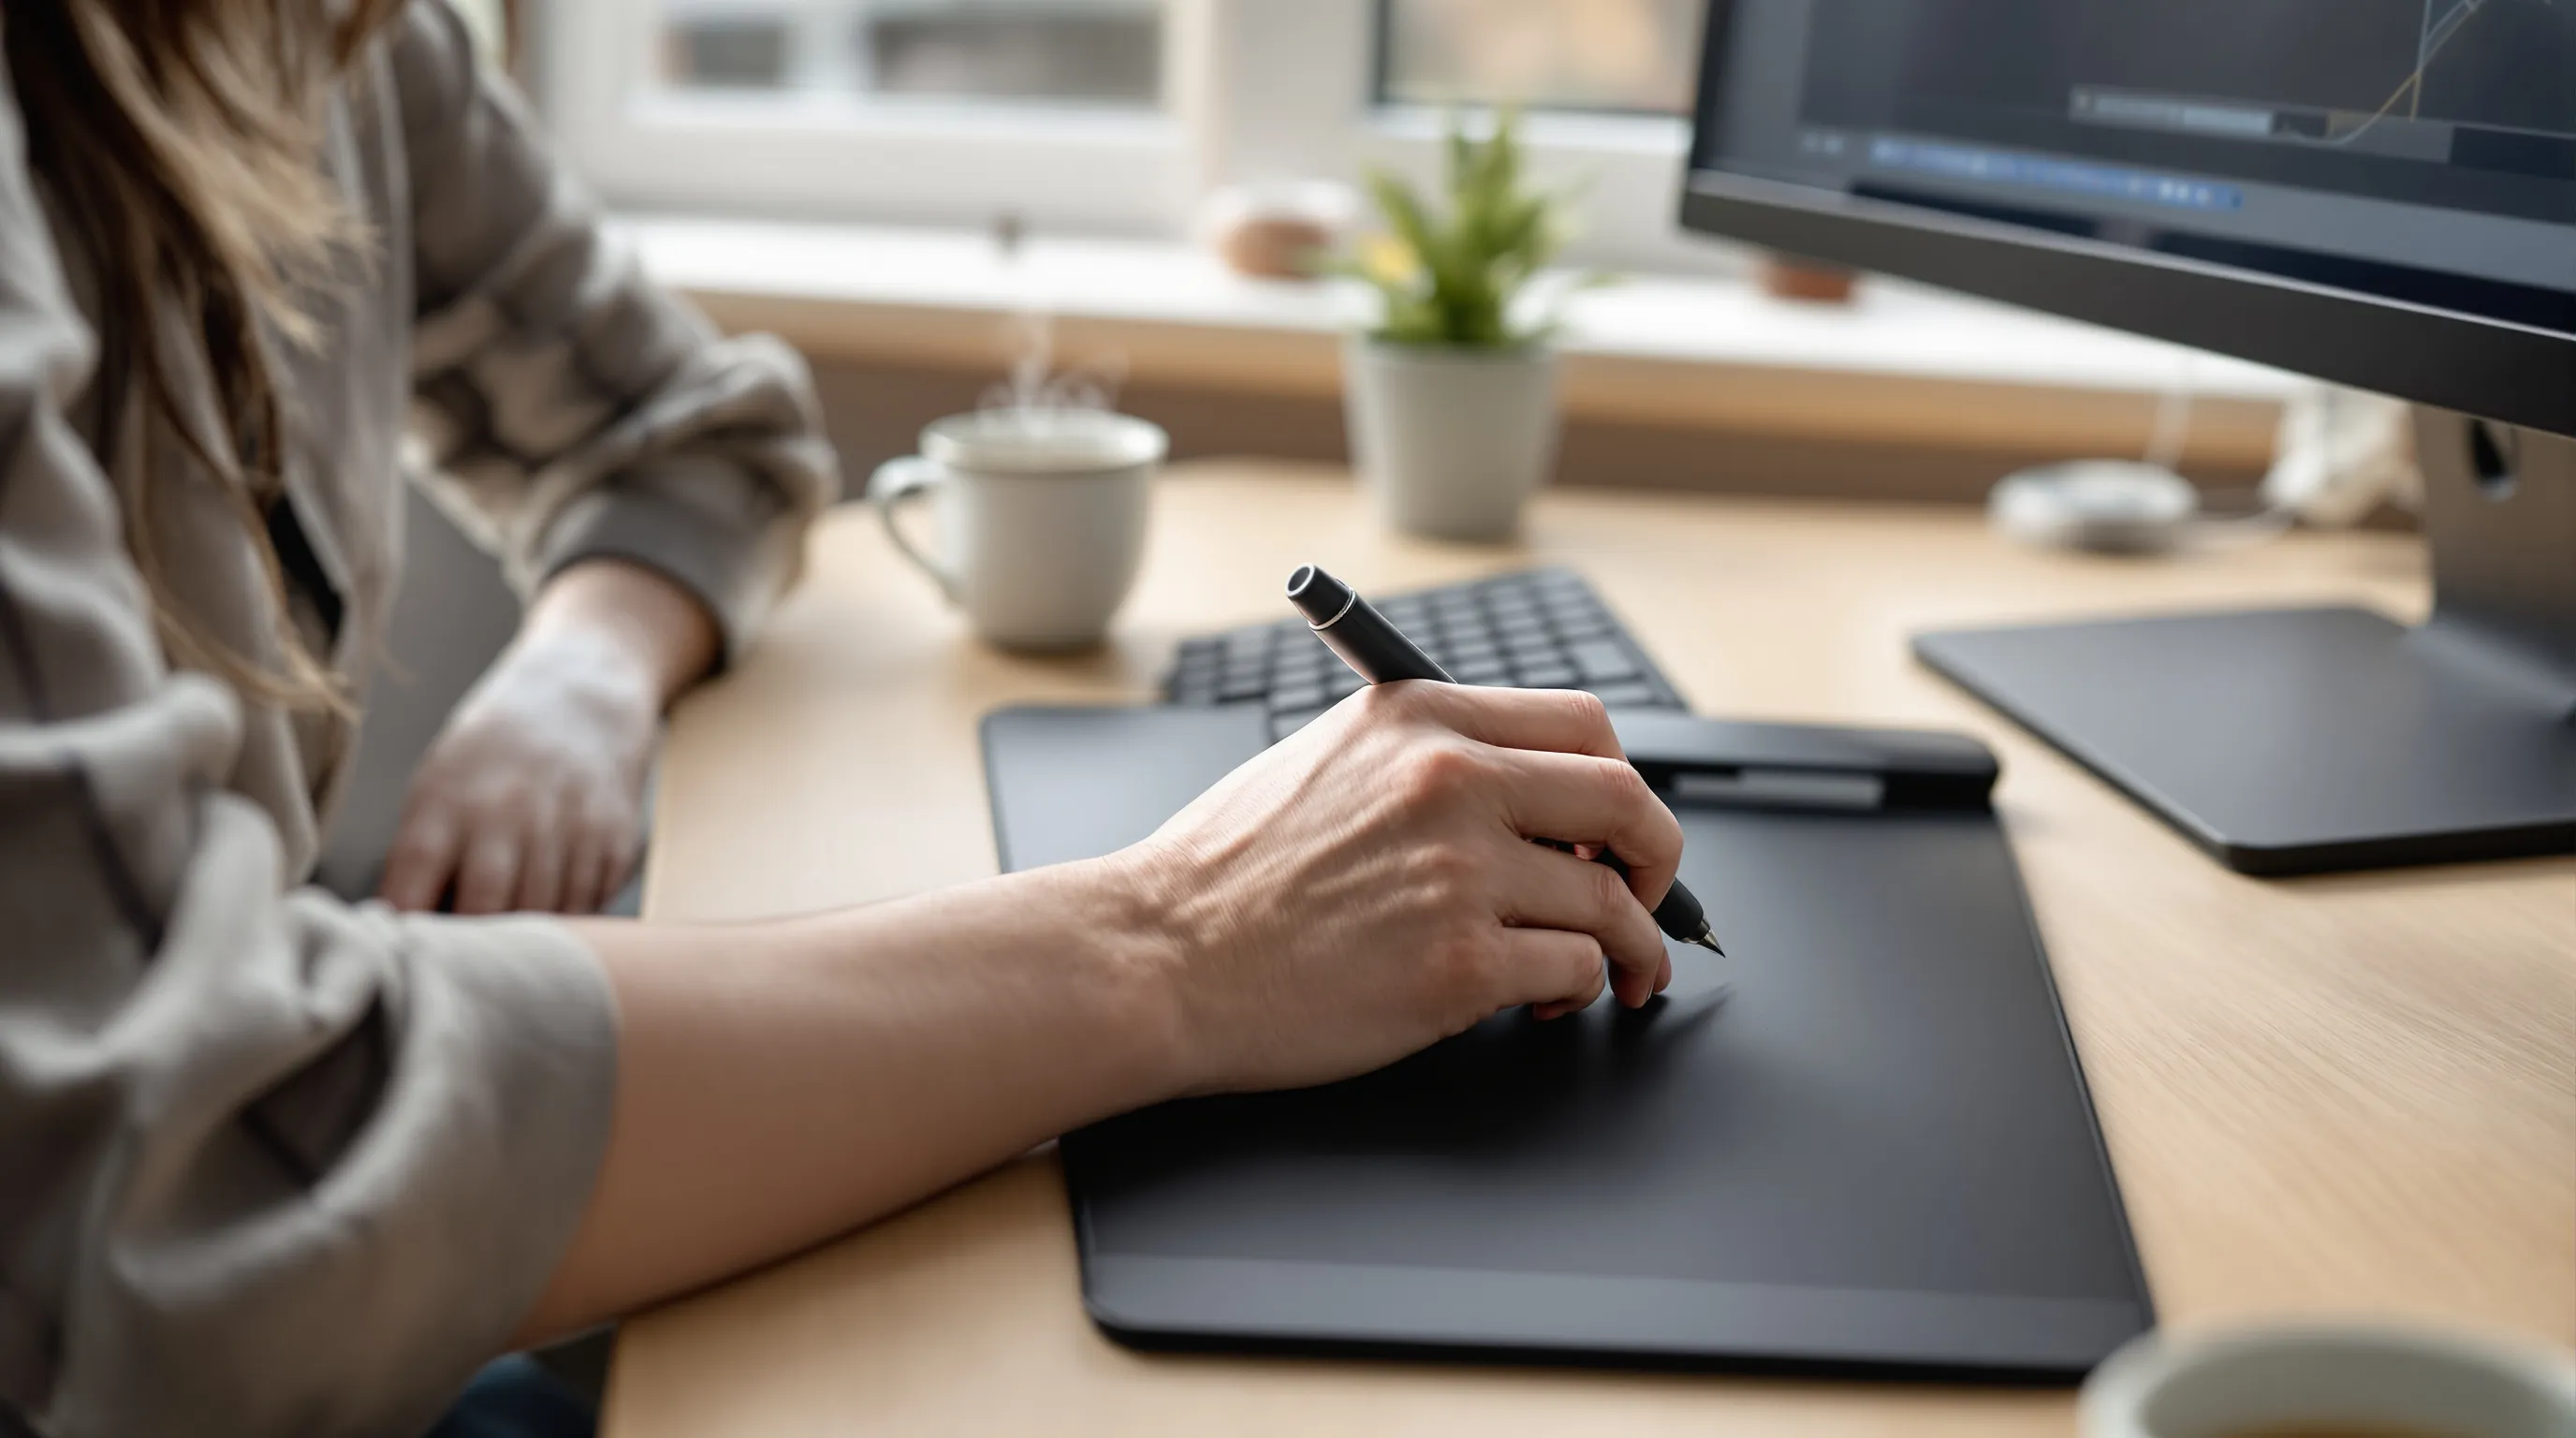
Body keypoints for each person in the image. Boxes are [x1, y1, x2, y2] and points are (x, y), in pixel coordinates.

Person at [0, 4, 1689, 1436]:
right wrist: (1181, 939)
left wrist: (589, 662)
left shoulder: (333, 42)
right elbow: (179, 1189)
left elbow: (687, 429)